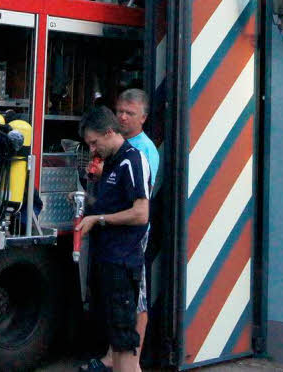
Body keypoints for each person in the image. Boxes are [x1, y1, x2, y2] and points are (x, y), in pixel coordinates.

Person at [88, 89, 159, 372]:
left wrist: (100, 219)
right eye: (120, 111)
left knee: (135, 300)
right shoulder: (116, 152)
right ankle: (116, 357)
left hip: (131, 242)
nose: (123, 117)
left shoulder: (141, 152)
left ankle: (133, 359)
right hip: (113, 246)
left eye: (130, 113)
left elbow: (140, 204)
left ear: (143, 117)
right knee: (118, 310)